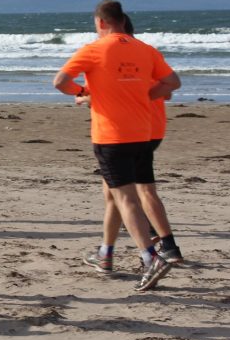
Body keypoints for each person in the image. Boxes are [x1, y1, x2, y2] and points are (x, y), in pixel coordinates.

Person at [54, 0, 181, 292]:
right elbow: (173, 82)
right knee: (111, 195)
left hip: (111, 136)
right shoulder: (145, 49)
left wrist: (85, 91)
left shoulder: (94, 49)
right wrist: (143, 95)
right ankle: (105, 254)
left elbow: (60, 82)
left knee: (127, 199)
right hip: (143, 134)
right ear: (123, 20)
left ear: (100, 22)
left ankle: (151, 258)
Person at [77, 15, 184, 273]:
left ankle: (157, 249)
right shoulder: (146, 55)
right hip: (150, 129)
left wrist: (88, 97)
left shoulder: (115, 59)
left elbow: (163, 89)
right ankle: (111, 251)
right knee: (119, 193)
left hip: (129, 132)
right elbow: (167, 89)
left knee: (130, 194)